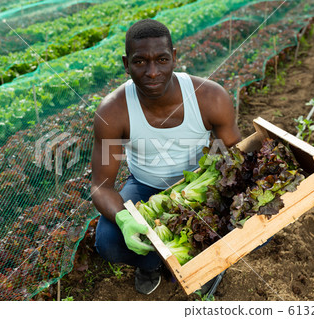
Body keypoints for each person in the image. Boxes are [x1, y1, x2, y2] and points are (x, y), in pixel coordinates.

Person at [90, 19, 242, 296]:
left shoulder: (209, 97)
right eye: (140, 62)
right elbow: (101, 187)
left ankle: (200, 261)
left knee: (251, 224)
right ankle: (150, 263)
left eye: (161, 59)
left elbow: (235, 154)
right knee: (109, 241)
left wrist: (223, 193)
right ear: (126, 64)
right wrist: (124, 219)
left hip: (200, 184)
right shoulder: (113, 111)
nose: (151, 72)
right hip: (145, 186)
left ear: (174, 57)